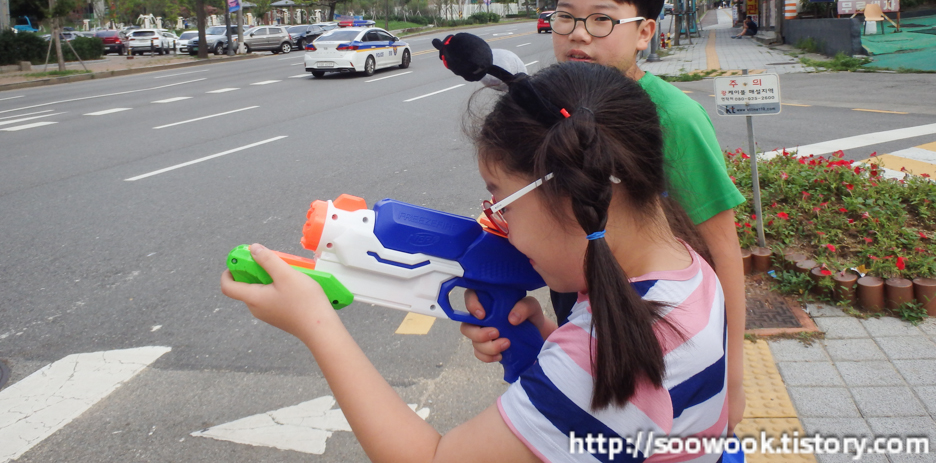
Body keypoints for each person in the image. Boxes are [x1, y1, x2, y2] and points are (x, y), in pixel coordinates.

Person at [222, 62, 728, 462]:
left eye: (502, 202)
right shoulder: (688, 273)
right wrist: (552, 345)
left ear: (578, 195)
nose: (498, 222)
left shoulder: (604, 357)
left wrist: (316, 324)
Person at [462, 0, 747, 434]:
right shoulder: (551, 105)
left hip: (650, 339)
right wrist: (543, 336)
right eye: (565, 16)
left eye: (601, 20)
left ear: (645, 32)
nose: (578, 34)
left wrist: (734, 376)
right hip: (582, 322)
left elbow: (722, 247)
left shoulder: (675, 117)